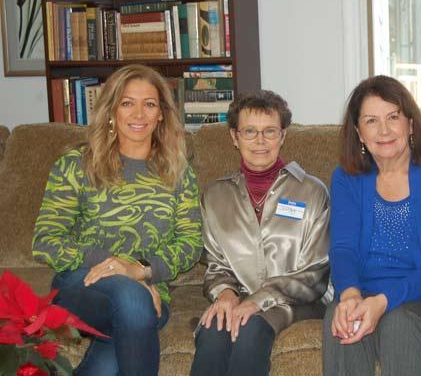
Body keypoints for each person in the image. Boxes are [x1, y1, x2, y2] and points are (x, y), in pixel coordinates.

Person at [32, 64, 203, 376]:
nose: (138, 114)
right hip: (81, 284)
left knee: (127, 320)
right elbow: (46, 240)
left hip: (150, 295)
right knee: (132, 299)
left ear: (161, 114)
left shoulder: (178, 173)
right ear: (111, 111)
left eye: (149, 104)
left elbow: (191, 244)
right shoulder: (76, 165)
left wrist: (142, 271)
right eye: (127, 103)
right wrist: (126, 272)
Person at [323, 75, 421, 376]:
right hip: (363, 291)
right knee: (341, 319)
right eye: (372, 120)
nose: (384, 130)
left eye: (393, 117)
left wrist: (383, 302)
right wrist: (350, 296)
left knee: (399, 323)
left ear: (410, 124)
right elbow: (343, 248)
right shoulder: (346, 177)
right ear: (359, 132)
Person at [189, 90, 330, 376]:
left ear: (283, 135)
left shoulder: (313, 192)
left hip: (299, 302)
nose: (260, 141)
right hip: (238, 297)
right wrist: (226, 294)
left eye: (269, 131)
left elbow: (316, 274)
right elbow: (216, 265)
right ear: (234, 136)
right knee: (214, 329)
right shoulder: (215, 195)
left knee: (251, 327)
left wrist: (258, 300)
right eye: (250, 131)